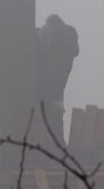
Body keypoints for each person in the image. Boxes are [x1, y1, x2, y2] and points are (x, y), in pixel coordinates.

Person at [36, 14, 80, 145]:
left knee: (53, 115)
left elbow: (60, 74)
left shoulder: (66, 44)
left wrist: (57, 97)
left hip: (49, 86)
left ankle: (58, 145)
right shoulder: (36, 40)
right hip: (35, 84)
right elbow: (56, 72)